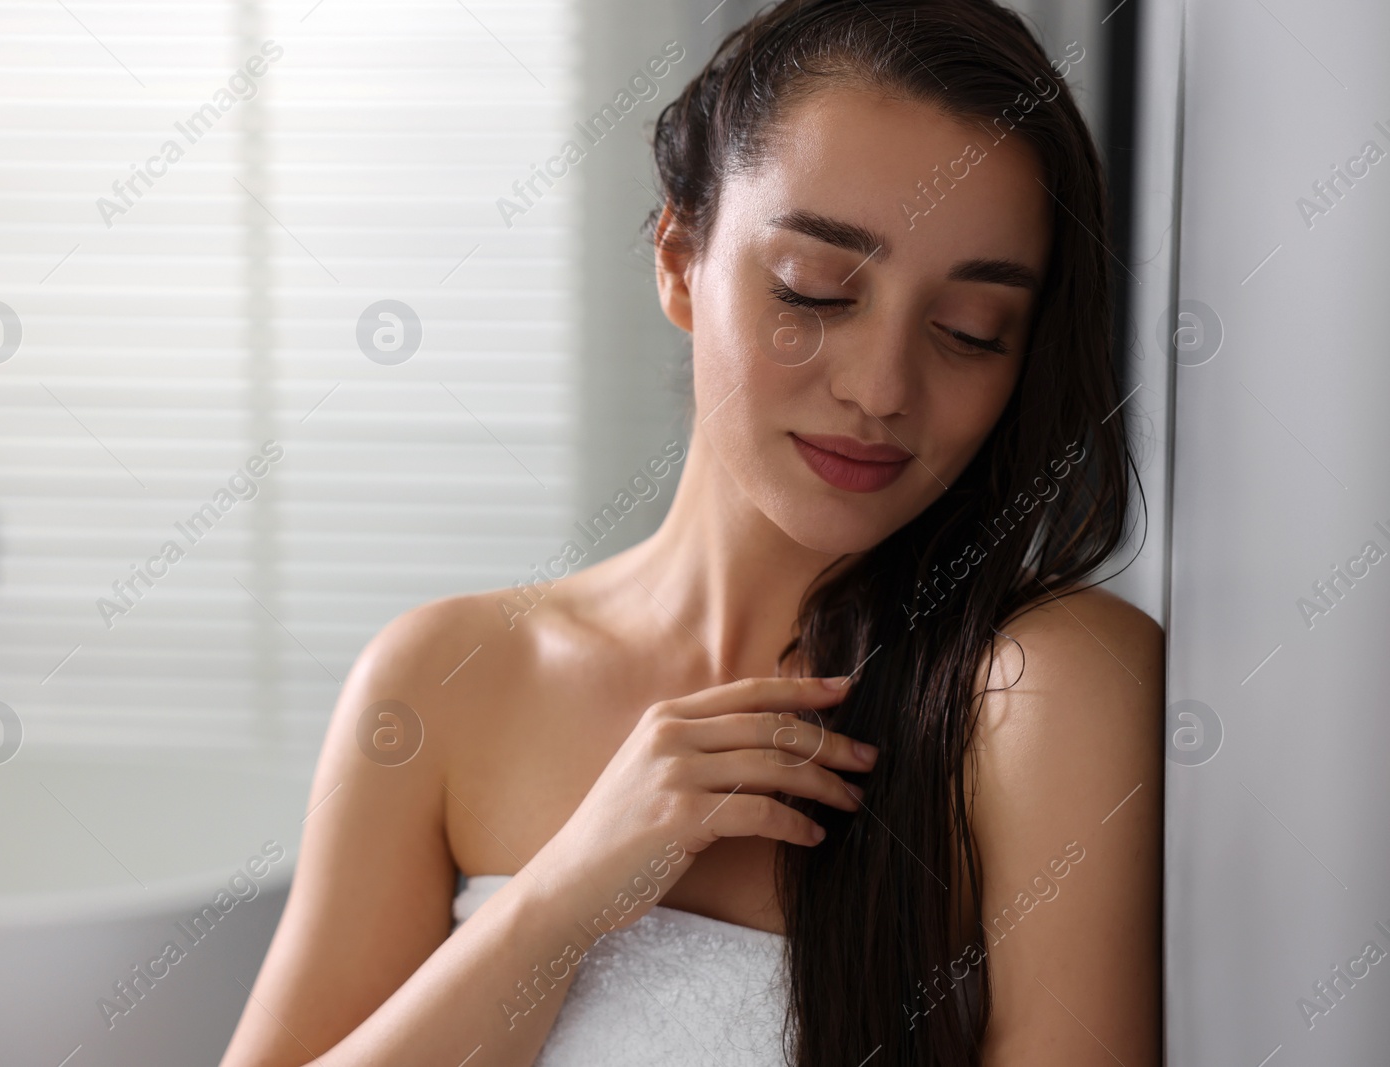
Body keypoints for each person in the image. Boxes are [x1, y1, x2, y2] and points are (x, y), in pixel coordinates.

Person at [220, 1, 1162, 1063]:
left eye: (966, 333)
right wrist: (564, 894)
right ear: (679, 257)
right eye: (817, 290)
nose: (882, 387)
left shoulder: (1038, 692)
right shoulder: (444, 677)